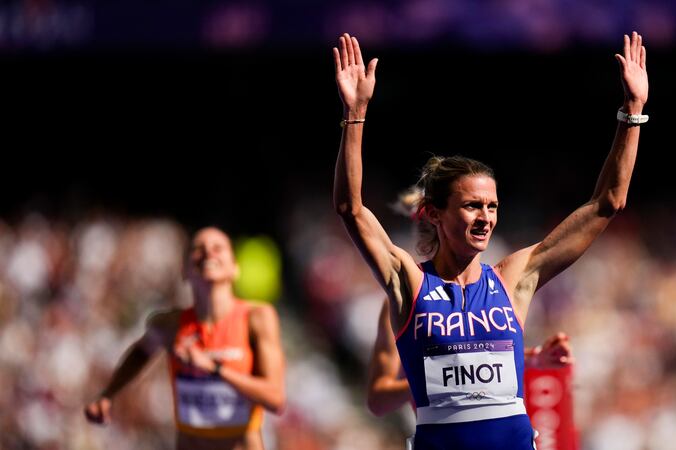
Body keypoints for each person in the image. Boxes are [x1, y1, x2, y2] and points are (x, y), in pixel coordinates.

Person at [333, 31, 647, 450]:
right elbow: (351, 210)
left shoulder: (513, 277)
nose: (486, 218)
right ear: (434, 213)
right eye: (472, 206)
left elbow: (607, 203)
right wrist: (355, 114)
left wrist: (633, 111)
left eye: (493, 206)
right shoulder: (410, 283)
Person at [84, 227, 286, 450]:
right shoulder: (169, 326)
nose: (209, 253)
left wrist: (215, 369)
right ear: (184, 271)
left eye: (218, 248)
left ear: (234, 268)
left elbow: (275, 399)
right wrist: (108, 394)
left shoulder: (256, 318)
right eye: (198, 249)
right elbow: (141, 351)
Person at [367, 299, 573, 417]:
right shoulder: (404, 299)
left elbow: (479, 360)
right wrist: (437, 380)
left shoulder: (495, 289)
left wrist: (538, 358)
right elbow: (378, 401)